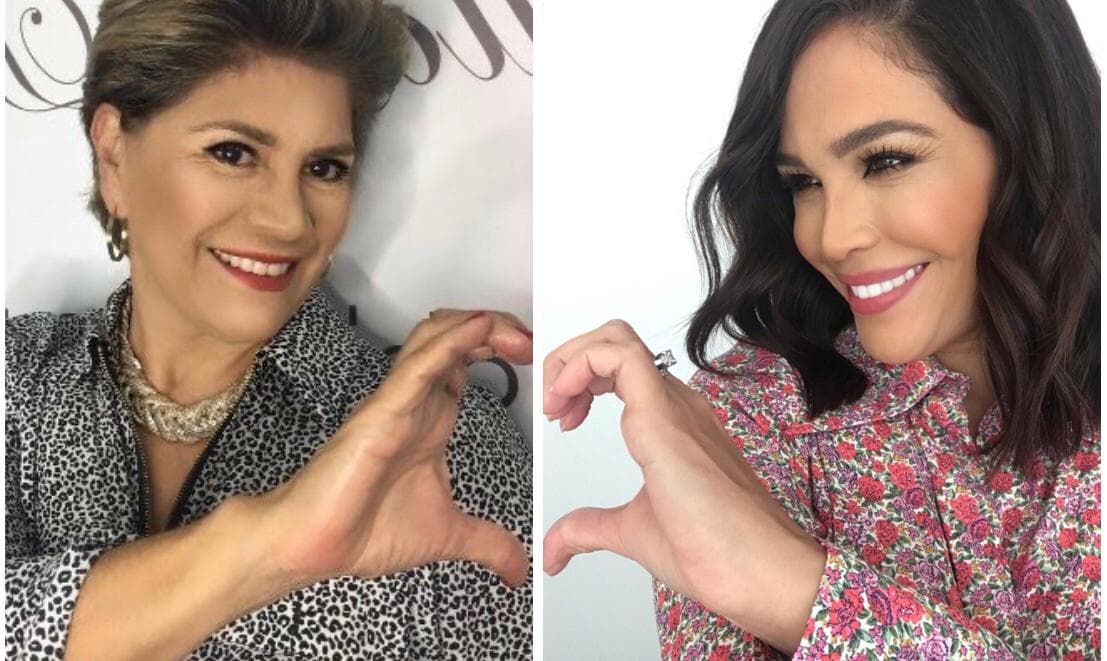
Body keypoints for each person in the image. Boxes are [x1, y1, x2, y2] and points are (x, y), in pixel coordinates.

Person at [543, 0, 1099, 657]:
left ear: (1025, 147)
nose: (830, 237)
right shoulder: (744, 418)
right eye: (802, 182)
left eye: (885, 161)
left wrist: (792, 590)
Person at [5, 1, 532, 659]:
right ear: (114, 155)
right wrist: (270, 545)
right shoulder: (17, 384)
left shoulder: (441, 448)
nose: (289, 219)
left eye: (324, 168)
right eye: (234, 152)